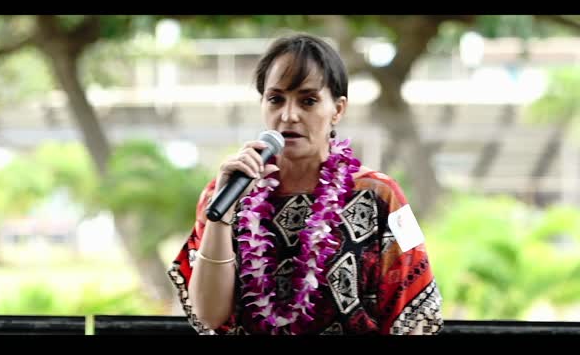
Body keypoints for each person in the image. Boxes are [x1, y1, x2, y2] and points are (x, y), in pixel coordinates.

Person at [167, 33, 443, 335]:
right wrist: (222, 216)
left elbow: (415, 317)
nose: (289, 115)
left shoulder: (379, 195)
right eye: (276, 99)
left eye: (308, 100)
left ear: (337, 109)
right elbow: (209, 315)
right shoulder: (225, 193)